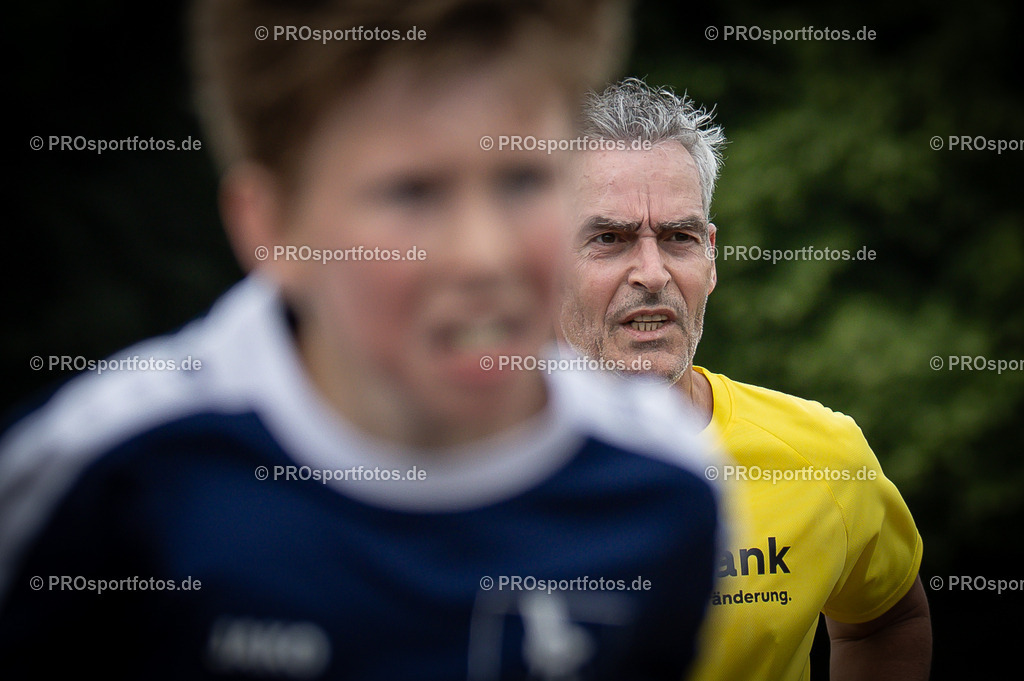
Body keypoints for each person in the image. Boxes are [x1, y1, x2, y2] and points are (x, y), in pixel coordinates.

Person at [0, 4, 724, 679]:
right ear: (271, 226)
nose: (482, 253)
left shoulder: (661, 484)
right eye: (411, 192)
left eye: (521, 181)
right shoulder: (102, 474)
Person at [559, 77, 931, 681]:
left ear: (710, 257)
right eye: (609, 238)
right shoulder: (452, 470)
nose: (652, 273)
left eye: (678, 238)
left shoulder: (820, 457)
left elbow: (886, 619)